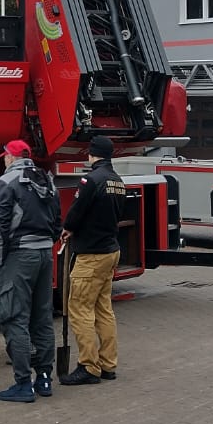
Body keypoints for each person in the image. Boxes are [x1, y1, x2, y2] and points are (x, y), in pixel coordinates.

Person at [0, 140, 61, 404]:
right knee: (42, 318)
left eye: (5, 156)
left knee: (14, 317)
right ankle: (44, 379)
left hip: (19, 255)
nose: (4, 160)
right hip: (45, 254)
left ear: (11, 157)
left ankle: (22, 384)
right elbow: (57, 221)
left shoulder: (6, 182)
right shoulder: (47, 180)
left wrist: (0, 262)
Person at [59, 134, 126, 386]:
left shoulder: (91, 180)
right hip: (110, 250)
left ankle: (88, 366)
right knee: (103, 309)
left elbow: (77, 211)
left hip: (91, 254)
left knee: (79, 308)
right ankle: (108, 364)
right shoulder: (118, 181)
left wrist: (68, 228)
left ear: (91, 154)